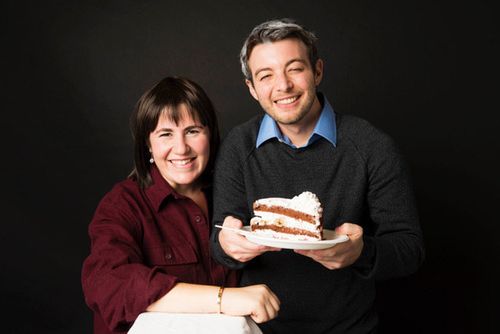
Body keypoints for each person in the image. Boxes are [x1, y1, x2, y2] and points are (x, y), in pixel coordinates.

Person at [210, 19, 425, 333]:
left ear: (318, 71)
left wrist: (361, 253)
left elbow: (410, 249)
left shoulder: (371, 145)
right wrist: (228, 247)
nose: (282, 85)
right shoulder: (238, 146)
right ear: (252, 89)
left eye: (295, 68)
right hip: (260, 329)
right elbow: (219, 242)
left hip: (350, 328)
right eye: (265, 75)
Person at [81, 77, 280, 334]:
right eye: (166, 134)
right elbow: (109, 284)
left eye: (193, 131)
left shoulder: (233, 194)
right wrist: (223, 298)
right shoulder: (123, 204)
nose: (181, 148)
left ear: (210, 135)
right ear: (148, 145)